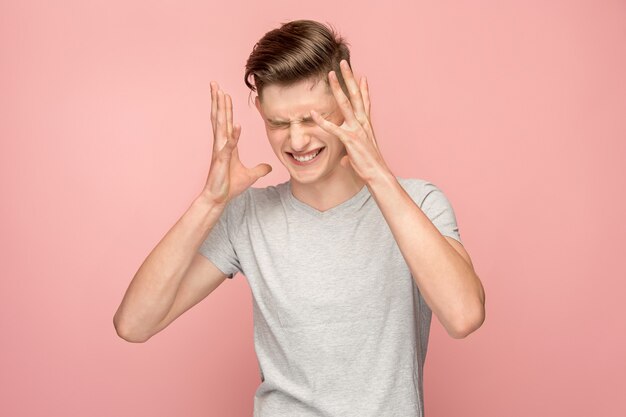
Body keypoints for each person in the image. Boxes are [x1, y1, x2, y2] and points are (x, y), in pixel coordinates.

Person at [113, 19, 485, 417]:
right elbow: (134, 324)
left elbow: (464, 316)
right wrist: (209, 201)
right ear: (260, 112)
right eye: (278, 123)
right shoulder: (248, 216)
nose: (296, 141)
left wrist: (377, 172)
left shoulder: (418, 202)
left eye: (312, 119)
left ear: (347, 104)